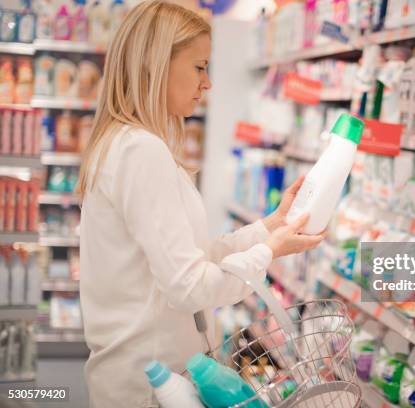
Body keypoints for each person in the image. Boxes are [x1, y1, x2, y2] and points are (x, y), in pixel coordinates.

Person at [76, 1, 325, 406]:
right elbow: (189, 286)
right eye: (199, 66)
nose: (207, 83)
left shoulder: (125, 144)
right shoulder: (141, 151)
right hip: (148, 385)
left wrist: (268, 228)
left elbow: (191, 258)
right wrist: (268, 252)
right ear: (157, 65)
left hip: (142, 375)